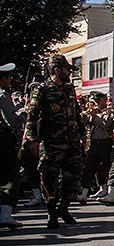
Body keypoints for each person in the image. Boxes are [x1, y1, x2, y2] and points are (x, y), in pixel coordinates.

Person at [23, 55, 85, 229]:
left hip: (71, 143)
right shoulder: (42, 90)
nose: (69, 74)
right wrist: (32, 140)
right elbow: (31, 117)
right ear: (57, 70)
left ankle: (64, 208)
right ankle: (52, 213)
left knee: (73, 176)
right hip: (51, 143)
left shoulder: (69, 89)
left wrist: (82, 133)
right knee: (49, 177)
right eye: (67, 70)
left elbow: (76, 114)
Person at [77, 91, 114, 202]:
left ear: (104, 99)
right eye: (95, 100)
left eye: (99, 100)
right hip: (93, 143)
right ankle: (84, 192)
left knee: (106, 167)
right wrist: (85, 115)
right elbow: (83, 124)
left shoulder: (108, 111)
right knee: (89, 167)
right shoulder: (93, 112)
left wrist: (94, 115)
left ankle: (108, 190)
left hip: (105, 142)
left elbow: (105, 124)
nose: (97, 102)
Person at [0, 63, 24, 228]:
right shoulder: (2, 95)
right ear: (3, 79)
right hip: (2, 139)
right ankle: (6, 214)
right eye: (9, 78)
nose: (10, 82)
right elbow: (11, 121)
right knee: (10, 174)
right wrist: (22, 112)